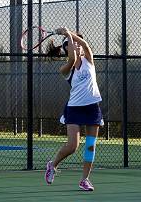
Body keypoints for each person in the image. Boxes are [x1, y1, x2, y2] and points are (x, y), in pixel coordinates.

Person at [44, 27, 103, 191]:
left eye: (78, 42)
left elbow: (85, 45)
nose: (78, 45)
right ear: (66, 49)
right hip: (74, 109)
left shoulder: (89, 60)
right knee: (72, 146)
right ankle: (52, 165)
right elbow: (72, 58)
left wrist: (70, 33)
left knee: (91, 145)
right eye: (73, 44)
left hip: (92, 107)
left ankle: (85, 179)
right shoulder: (66, 68)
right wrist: (68, 35)